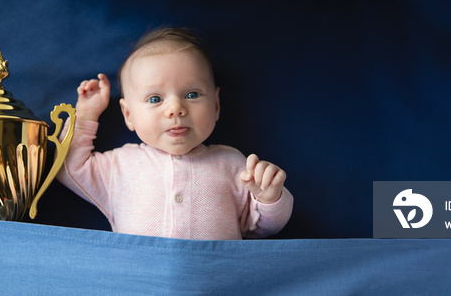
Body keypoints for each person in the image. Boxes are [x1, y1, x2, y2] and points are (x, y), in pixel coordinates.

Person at [57, 27, 293, 240]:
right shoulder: (119, 166)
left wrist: (269, 198)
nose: (176, 109)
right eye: (155, 99)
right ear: (129, 115)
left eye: (192, 95)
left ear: (216, 105)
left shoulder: (233, 164)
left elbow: (261, 229)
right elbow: (69, 168)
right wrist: (86, 114)